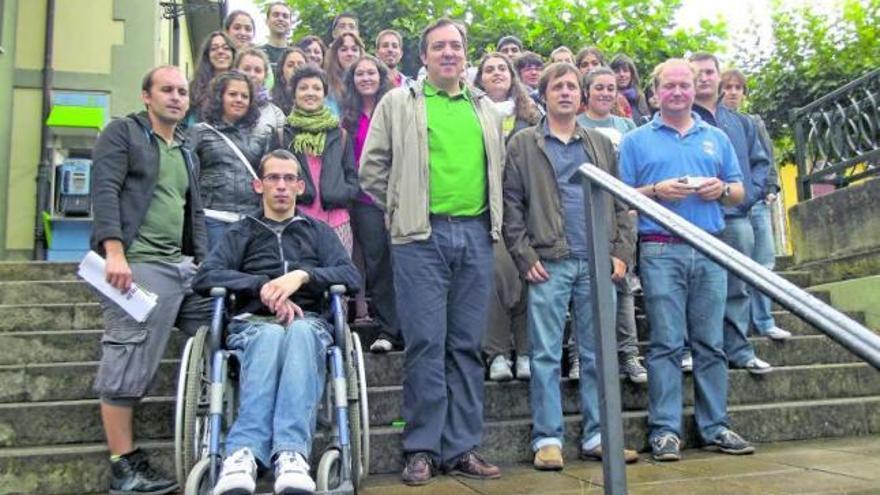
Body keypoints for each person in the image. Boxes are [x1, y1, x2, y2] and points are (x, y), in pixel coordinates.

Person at [360, 17, 504, 486]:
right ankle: (421, 447)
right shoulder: (398, 103)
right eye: (438, 46)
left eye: (456, 46)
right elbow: (372, 169)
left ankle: (461, 446)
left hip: (477, 236)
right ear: (422, 57)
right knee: (425, 343)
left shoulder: (485, 108)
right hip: (421, 238)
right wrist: (403, 208)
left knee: (465, 345)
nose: (448, 53)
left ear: (466, 54)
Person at [192, 150, 361, 495]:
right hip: (254, 322)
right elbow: (205, 276)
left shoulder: (317, 231)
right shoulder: (243, 231)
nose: (281, 186)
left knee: (298, 333)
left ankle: (291, 453)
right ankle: (242, 453)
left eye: (288, 179)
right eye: (273, 178)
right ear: (259, 185)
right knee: (269, 337)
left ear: (300, 186)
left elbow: (350, 275)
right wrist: (261, 286)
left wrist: (302, 276)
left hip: (308, 322)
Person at [503, 62, 638, 470]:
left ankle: (600, 436)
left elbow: (621, 202)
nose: (565, 92)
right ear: (542, 94)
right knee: (545, 354)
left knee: (599, 352)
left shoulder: (599, 142)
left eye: (571, 87)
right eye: (556, 86)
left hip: (598, 260)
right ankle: (547, 439)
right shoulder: (524, 143)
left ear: (581, 97)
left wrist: (621, 253)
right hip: (549, 262)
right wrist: (524, 256)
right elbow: (511, 206)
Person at [619, 58, 754, 462]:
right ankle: (664, 430)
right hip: (660, 247)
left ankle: (716, 426)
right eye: (669, 86)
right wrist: (657, 190)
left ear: (694, 89)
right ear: (655, 92)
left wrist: (721, 190)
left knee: (711, 342)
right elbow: (621, 197)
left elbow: (739, 192)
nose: (677, 92)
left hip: (710, 245)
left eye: (684, 85)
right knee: (665, 343)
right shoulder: (636, 140)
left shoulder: (716, 137)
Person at [91, 65, 211, 495]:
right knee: (128, 355)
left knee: (223, 327)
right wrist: (114, 251)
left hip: (181, 268)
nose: (176, 97)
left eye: (182, 91)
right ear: (146, 96)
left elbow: (191, 212)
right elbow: (104, 190)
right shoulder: (122, 134)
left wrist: (204, 264)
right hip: (135, 265)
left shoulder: (185, 150)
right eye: (167, 90)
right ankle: (123, 464)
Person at [689, 53, 774, 375]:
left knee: (738, 286)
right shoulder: (681, 118)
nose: (704, 78)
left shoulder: (741, 122)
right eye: (696, 73)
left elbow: (759, 163)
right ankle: (697, 350)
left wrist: (744, 196)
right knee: (698, 289)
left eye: (709, 72)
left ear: (718, 76)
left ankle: (739, 349)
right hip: (694, 220)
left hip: (737, 217)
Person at [575, 67, 647, 384]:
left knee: (623, 284)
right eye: (598, 87)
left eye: (610, 88)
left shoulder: (627, 126)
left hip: (621, 214)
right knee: (582, 290)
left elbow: (632, 173)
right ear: (586, 92)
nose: (605, 93)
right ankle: (579, 355)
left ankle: (629, 354)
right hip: (585, 216)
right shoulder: (577, 126)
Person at [473, 52, 541, 381]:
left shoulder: (532, 114)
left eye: (502, 68)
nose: (497, 73)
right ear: (479, 78)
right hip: (486, 207)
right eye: (489, 69)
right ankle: (498, 352)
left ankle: (526, 351)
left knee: (528, 275)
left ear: (512, 76)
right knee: (497, 277)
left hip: (525, 208)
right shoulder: (471, 112)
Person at [720, 68, 790, 341]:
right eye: (728, 87)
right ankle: (740, 327)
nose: (733, 92)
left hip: (756, 201)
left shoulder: (753, 122)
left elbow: (766, 159)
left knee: (764, 262)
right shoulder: (711, 123)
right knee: (736, 268)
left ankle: (764, 319)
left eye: (738, 88)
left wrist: (768, 188)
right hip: (728, 205)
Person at [340, 55, 401, 352]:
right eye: (359, 74)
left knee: (406, 263)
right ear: (352, 81)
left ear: (381, 77)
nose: (366, 78)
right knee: (377, 266)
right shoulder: (346, 117)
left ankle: (411, 326)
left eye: (371, 72)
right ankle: (389, 330)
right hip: (365, 202)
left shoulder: (397, 108)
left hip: (400, 199)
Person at [190, 71, 274, 247]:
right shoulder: (199, 132)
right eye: (232, 94)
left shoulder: (263, 135)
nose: (239, 99)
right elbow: (190, 179)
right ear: (219, 97)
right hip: (213, 219)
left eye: (245, 96)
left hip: (251, 219)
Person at [283, 65, 359, 253]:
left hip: (337, 222)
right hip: (296, 222)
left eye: (316, 88)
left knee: (339, 279)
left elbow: (352, 176)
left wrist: (341, 193)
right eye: (303, 88)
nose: (310, 93)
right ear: (294, 95)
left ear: (325, 95)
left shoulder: (340, 135)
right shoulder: (281, 134)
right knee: (299, 278)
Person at [234, 48, 286, 142]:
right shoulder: (224, 105)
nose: (252, 74)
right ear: (235, 70)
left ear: (265, 75)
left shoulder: (276, 114)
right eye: (246, 69)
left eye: (258, 71)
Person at [189, 32, 237, 123]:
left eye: (226, 48)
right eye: (214, 49)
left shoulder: (242, 87)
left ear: (233, 54)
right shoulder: (194, 87)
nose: (220, 52)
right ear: (207, 55)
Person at [324, 32, 365, 116]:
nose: (349, 54)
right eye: (344, 49)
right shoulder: (327, 83)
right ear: (336, 54)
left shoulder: (369, 81)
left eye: (354, 49)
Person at [610, 54, 651, 124]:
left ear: (632, 74)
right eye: (617, 71)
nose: (622, 75)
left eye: (625, 71)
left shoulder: (641, 98)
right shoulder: (609, 100)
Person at [270, 47, 309, 115]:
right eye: (290, 65)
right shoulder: (271, 103)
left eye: (300, 64)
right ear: (282, 72)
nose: (296, 68)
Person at [260, 1, 294, 69]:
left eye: (285, 16)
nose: (280, 19)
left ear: (291, 23)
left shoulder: (296, 55)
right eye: (276, 15)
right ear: (267, 21)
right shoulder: (257, 53)